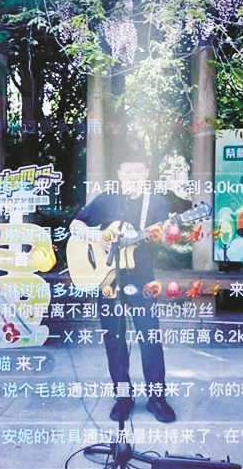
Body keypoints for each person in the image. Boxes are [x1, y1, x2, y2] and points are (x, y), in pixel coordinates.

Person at [68, 157, 191, 426]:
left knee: (150, 337)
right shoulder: (107, 199)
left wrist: (168, 232)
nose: (133, 175)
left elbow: (166, 238)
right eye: (128, 171)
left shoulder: (156, 203)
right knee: (114, 339)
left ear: (146, 173)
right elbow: (75, 226)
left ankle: (157, 398)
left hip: (143, 279)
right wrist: (98, 238)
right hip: (109, 280)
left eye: (138, 170)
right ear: (119, 173)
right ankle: (123, 397)